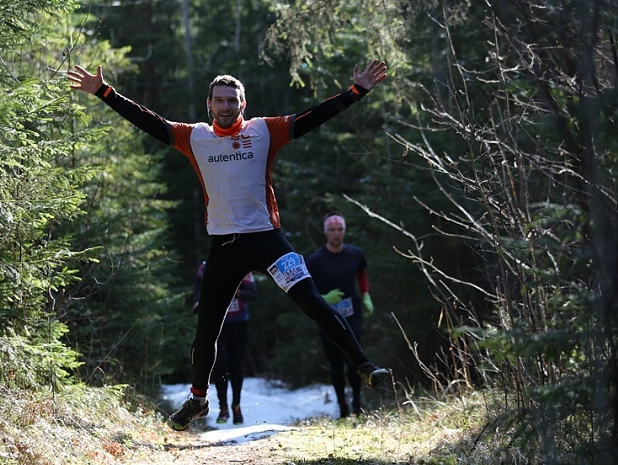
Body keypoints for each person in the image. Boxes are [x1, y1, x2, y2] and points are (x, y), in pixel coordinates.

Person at [67, 59, 392, 432]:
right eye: (218, 100)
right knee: (207, 328)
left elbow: (312, 117)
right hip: (224, 245)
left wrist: (356, 91)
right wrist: (104, 92)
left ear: (243, 103)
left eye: (231, 100)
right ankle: (198, 399)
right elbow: (149, 121)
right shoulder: (195, 137)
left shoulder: (264, 131)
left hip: (267, 239)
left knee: (313, 302)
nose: (225, 106)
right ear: (209, 105)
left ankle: (364, 365)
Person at [307, 212, 374, 418]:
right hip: (327, 316)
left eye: (340, 229)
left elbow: (361, 275)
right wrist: (324, 298)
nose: (336, 234)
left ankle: (357, 403)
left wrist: (365, 296)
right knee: (335, 363)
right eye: (332, 230)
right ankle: (342, 406)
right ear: (326, 232)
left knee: (354, 360)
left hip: (352, 313)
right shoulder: (316, 260)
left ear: (344, 231)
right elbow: (307, 289)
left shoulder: (355, 254)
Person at [193, 261, 256, 425]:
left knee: (236, 365)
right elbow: (198, 287)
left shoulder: (243, 265)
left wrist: (236, 292)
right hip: (217, 322)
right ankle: (223, 408)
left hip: (239, 322)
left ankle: (236, 406)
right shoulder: (206, 266)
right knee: (220, 363)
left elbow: (253, 294)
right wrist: (197, 302)